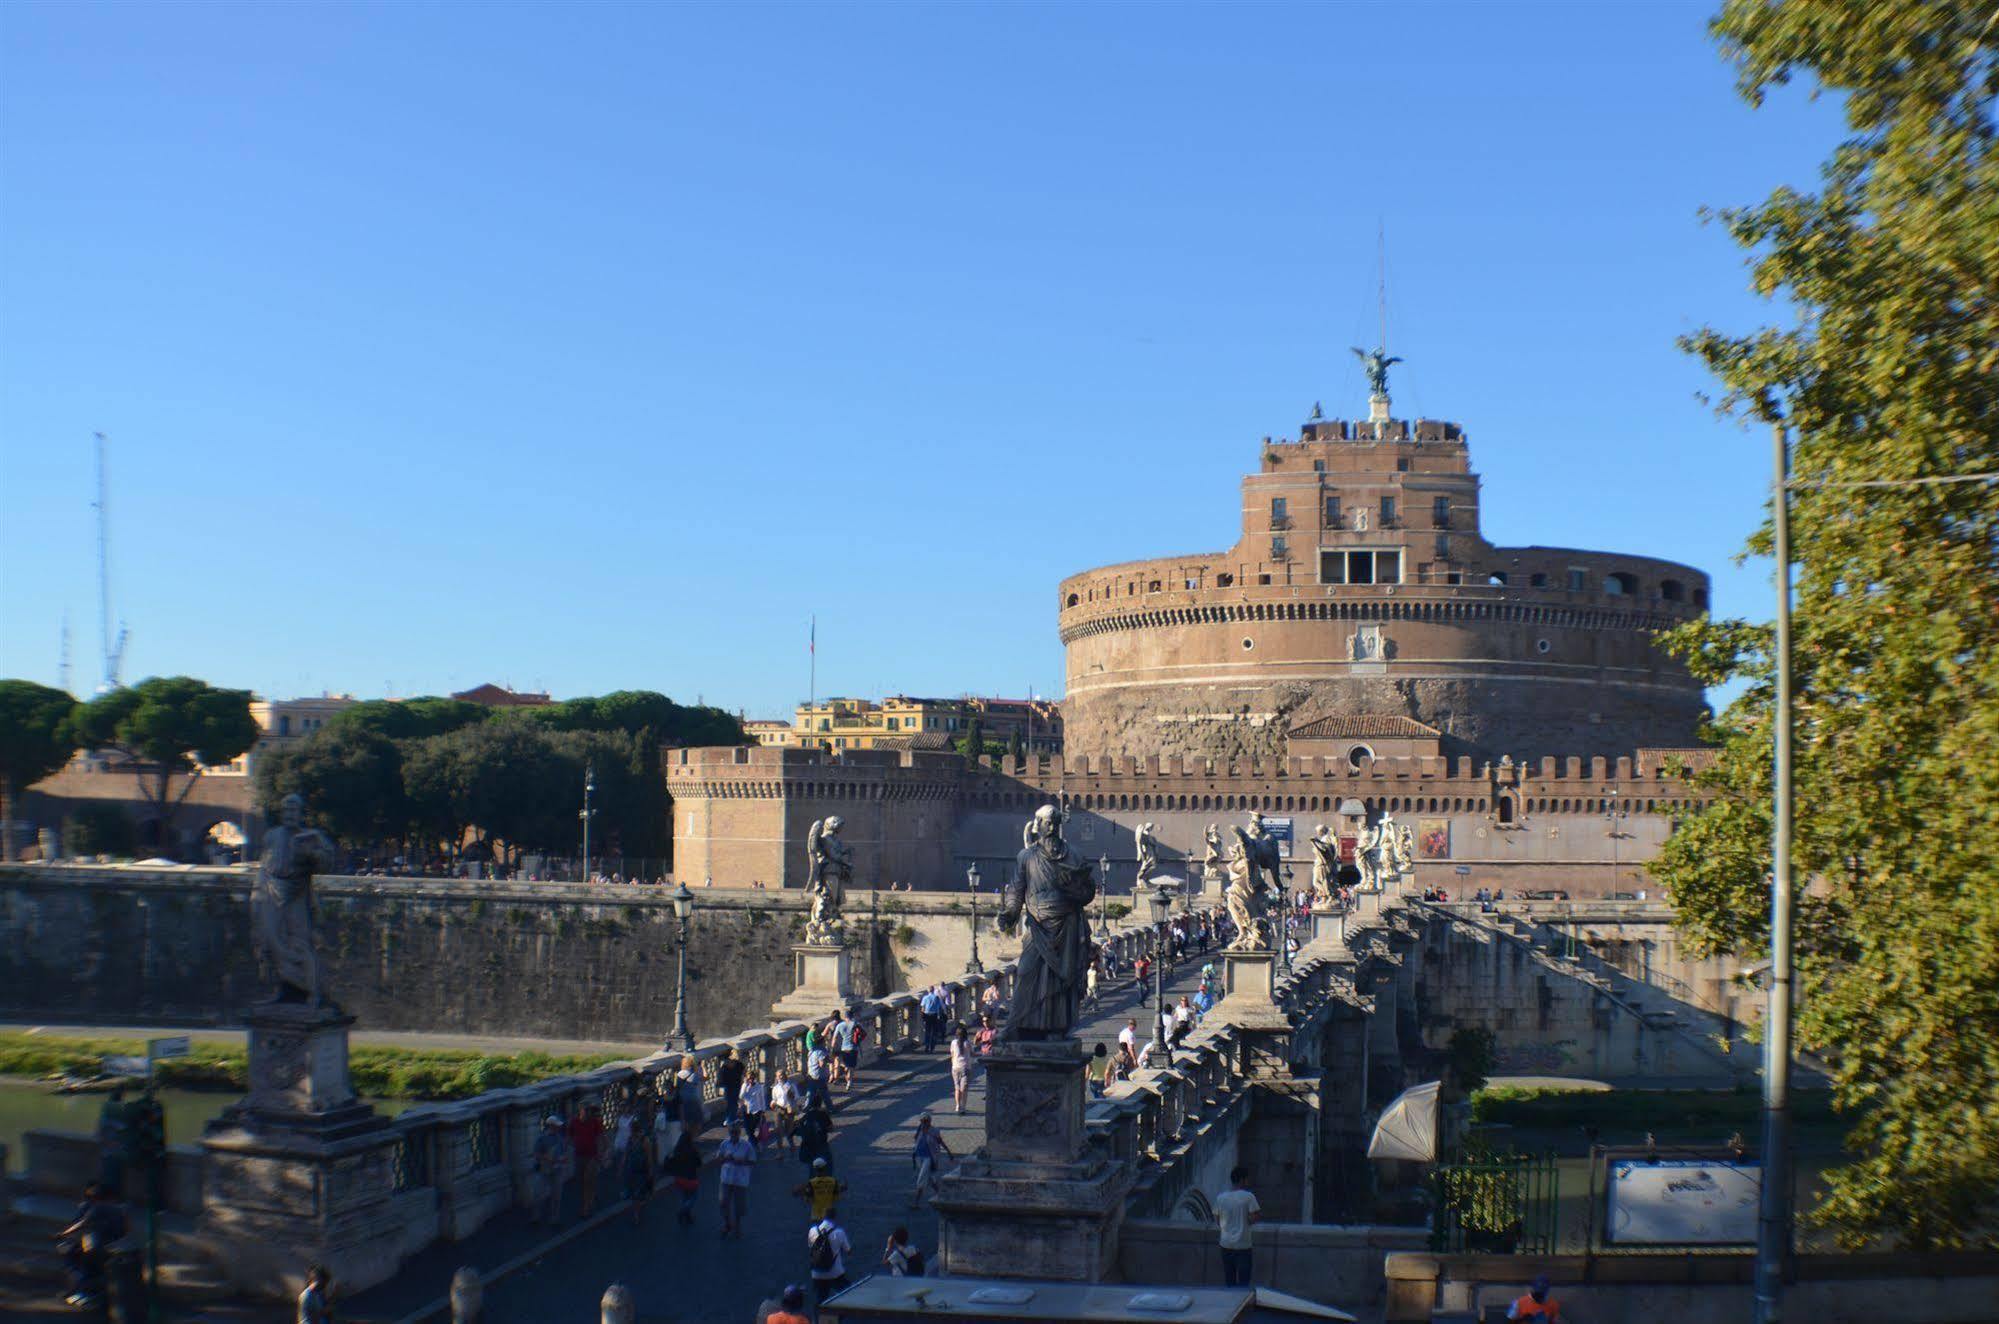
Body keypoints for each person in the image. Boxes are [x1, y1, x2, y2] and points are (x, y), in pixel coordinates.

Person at [58, 1182, 127, 1308]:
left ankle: (83, 1292)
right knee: (87, 1265)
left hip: (97, 1248)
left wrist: (63, 1234)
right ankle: (84, 1291)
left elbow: (82, 1224)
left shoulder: (98, 1208)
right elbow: (124, 1230)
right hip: (110, 1245)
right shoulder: (119, 1209)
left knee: (78, 1264)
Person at [1215, 1166, 1260, 1288]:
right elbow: (1253, 1219)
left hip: (1226, 1244)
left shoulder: (1220, 1197)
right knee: (1243, 1283)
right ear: (1242, 1180)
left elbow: (1218, 1221)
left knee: (1229, 1281)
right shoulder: (1249, 1197)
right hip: (1243, 1245)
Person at [714, 1121, 757, 1239]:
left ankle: (737, 1225)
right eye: (732, 1132)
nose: (734, 1134)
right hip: (726, 1178)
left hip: (740, 1180)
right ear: (729, 1132)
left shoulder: (747, 1146)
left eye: (736, 1132)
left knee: (739, 1206)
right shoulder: (724, 1144)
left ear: (739, 1133)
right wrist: (725, 1158)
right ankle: (728, 1223)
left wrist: (742, 1161)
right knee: (723, 1202)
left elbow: (753, 1161)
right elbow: (718, 1159)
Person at [807, 1210, 853, 1312]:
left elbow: (811, 1248)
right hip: (835, 1273)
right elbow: (848, 1251)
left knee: (821, 1299)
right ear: (835, 1218)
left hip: (817, 1273)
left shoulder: (812, 1231)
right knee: (849, 1293)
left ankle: (818, 1318)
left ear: (823, 1217)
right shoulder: (839, 1232)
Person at [531, 1116, 569, 1225]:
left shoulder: (560, 1137)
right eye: (557, 1125)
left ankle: (554, 1218)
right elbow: (536, 1154)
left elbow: (564, 1152)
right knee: (539, 1194)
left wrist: (563, 1159)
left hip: (557, 1168)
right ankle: (536, 1217)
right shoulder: (542, 1138)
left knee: (557, 1195)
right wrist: (548, 1158)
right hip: (544, 1169)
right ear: (551, 1126)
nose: (559, 1127)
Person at [569, 1103, 605, 1217]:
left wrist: (600, 1153)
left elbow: (600, 1137)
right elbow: (569, 1135)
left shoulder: (594, 1122)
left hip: (591, 1156)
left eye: (589, 1111)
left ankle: (586, 1207)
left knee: (587, 1180)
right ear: (580, 1111)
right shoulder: (574, 1122)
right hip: (579, 1155)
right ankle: (591, 1198)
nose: (588, 1113)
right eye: (586, 1110)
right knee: (582, 1182)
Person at [621, 1104, 655, 1225]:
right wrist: (623, 1165)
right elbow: (626, 1153)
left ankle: (638, 1209)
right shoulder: (632, 1139)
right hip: (634, 1170)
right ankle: (636, 1214)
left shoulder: (644, 1140)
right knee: (635, 1194)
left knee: (639, 1193)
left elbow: (649, 1157)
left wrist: (650, 1171)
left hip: (640, 1170)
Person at [908, 1113, 952, 1207]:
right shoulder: (919, 1129)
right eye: (922, 1121)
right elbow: (916, 1140)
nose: (924, 1122)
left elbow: (941, 1142)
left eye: (926, 1121)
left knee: (921, 1178)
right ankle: (941, 1195)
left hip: (929, 1158)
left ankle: (916, 1202)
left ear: (930, 1121)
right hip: (919, 1157)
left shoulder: (934, 1131)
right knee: (929, 1179)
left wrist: (949, 1152)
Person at [662, 1126, 701, 1226]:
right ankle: (683, 1211)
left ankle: (687, 1216)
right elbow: (699, 1163)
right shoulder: (692, 1150)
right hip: (691, 1179)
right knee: (693, 1197)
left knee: (684, 1197)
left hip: (679, 1179)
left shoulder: (677, 1150)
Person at [793, 1157, 847, 1222]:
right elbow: (836, 1198)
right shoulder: (833, 1181)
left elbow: (808, 1199)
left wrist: (803, 1195)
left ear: (815, 1169)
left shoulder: (811, 1183)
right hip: (829, 1215)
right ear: (825, 1168)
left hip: (816, 1216)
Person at [796, 1100, 835, 1173]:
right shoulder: (823, 1114)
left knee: (812, 1167)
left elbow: (798, 1128)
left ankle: (813, 1181)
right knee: (828, 1164)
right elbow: (831, 1128)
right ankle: (828, 1181)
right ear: (820, 1105)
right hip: (822, 1144)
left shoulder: (806, 1115)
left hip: (810, 1145)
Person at [770, 1069, 802, 1155]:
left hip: (789, 1110)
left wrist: (793, 1096)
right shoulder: (775, 1088)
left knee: (788, 1130)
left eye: (782, 1075)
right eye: (778, 1075)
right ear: (776, 1077)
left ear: (785, 1076)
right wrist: (772, 1103)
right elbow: (774, 1099)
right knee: (778, 1130)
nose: (780, 1077)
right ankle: (780, 1151)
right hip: (779, 1109)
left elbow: (797, 1097)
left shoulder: (791, 1086)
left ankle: (792, 1145)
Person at [740, 1072, 771, 1157]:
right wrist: (746, 1085)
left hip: (756, 1110)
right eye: (749, 1078)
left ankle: (752, 1148)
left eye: (752, 1078)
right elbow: (741, 1096)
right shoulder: (744, 1086)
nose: (751, 1080)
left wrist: (763, 1110)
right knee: (748, 1130)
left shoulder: (759, 1087)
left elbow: (762, 1098)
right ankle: (756, 1145)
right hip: (746, 1111)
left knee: (751, 1130)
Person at [949, 1025, 975, 1113]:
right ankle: (963, 1106)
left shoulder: (953, 1043)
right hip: (966, 1067)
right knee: (964, 1088)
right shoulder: (967, 1043)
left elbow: (952, 1054)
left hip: (955, 1067)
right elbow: (972, 1052)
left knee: (957, 1088)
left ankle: (957, 1105)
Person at [719, 1048, 747, 1126]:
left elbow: (721, 1077)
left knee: (730, 1102)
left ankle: (730, 1118)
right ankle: (731, 1118)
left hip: (730, 1086)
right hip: (735, 1085)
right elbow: (744, 1072)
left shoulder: (725, 1066)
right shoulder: (738, 1064)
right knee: (732, 1102)